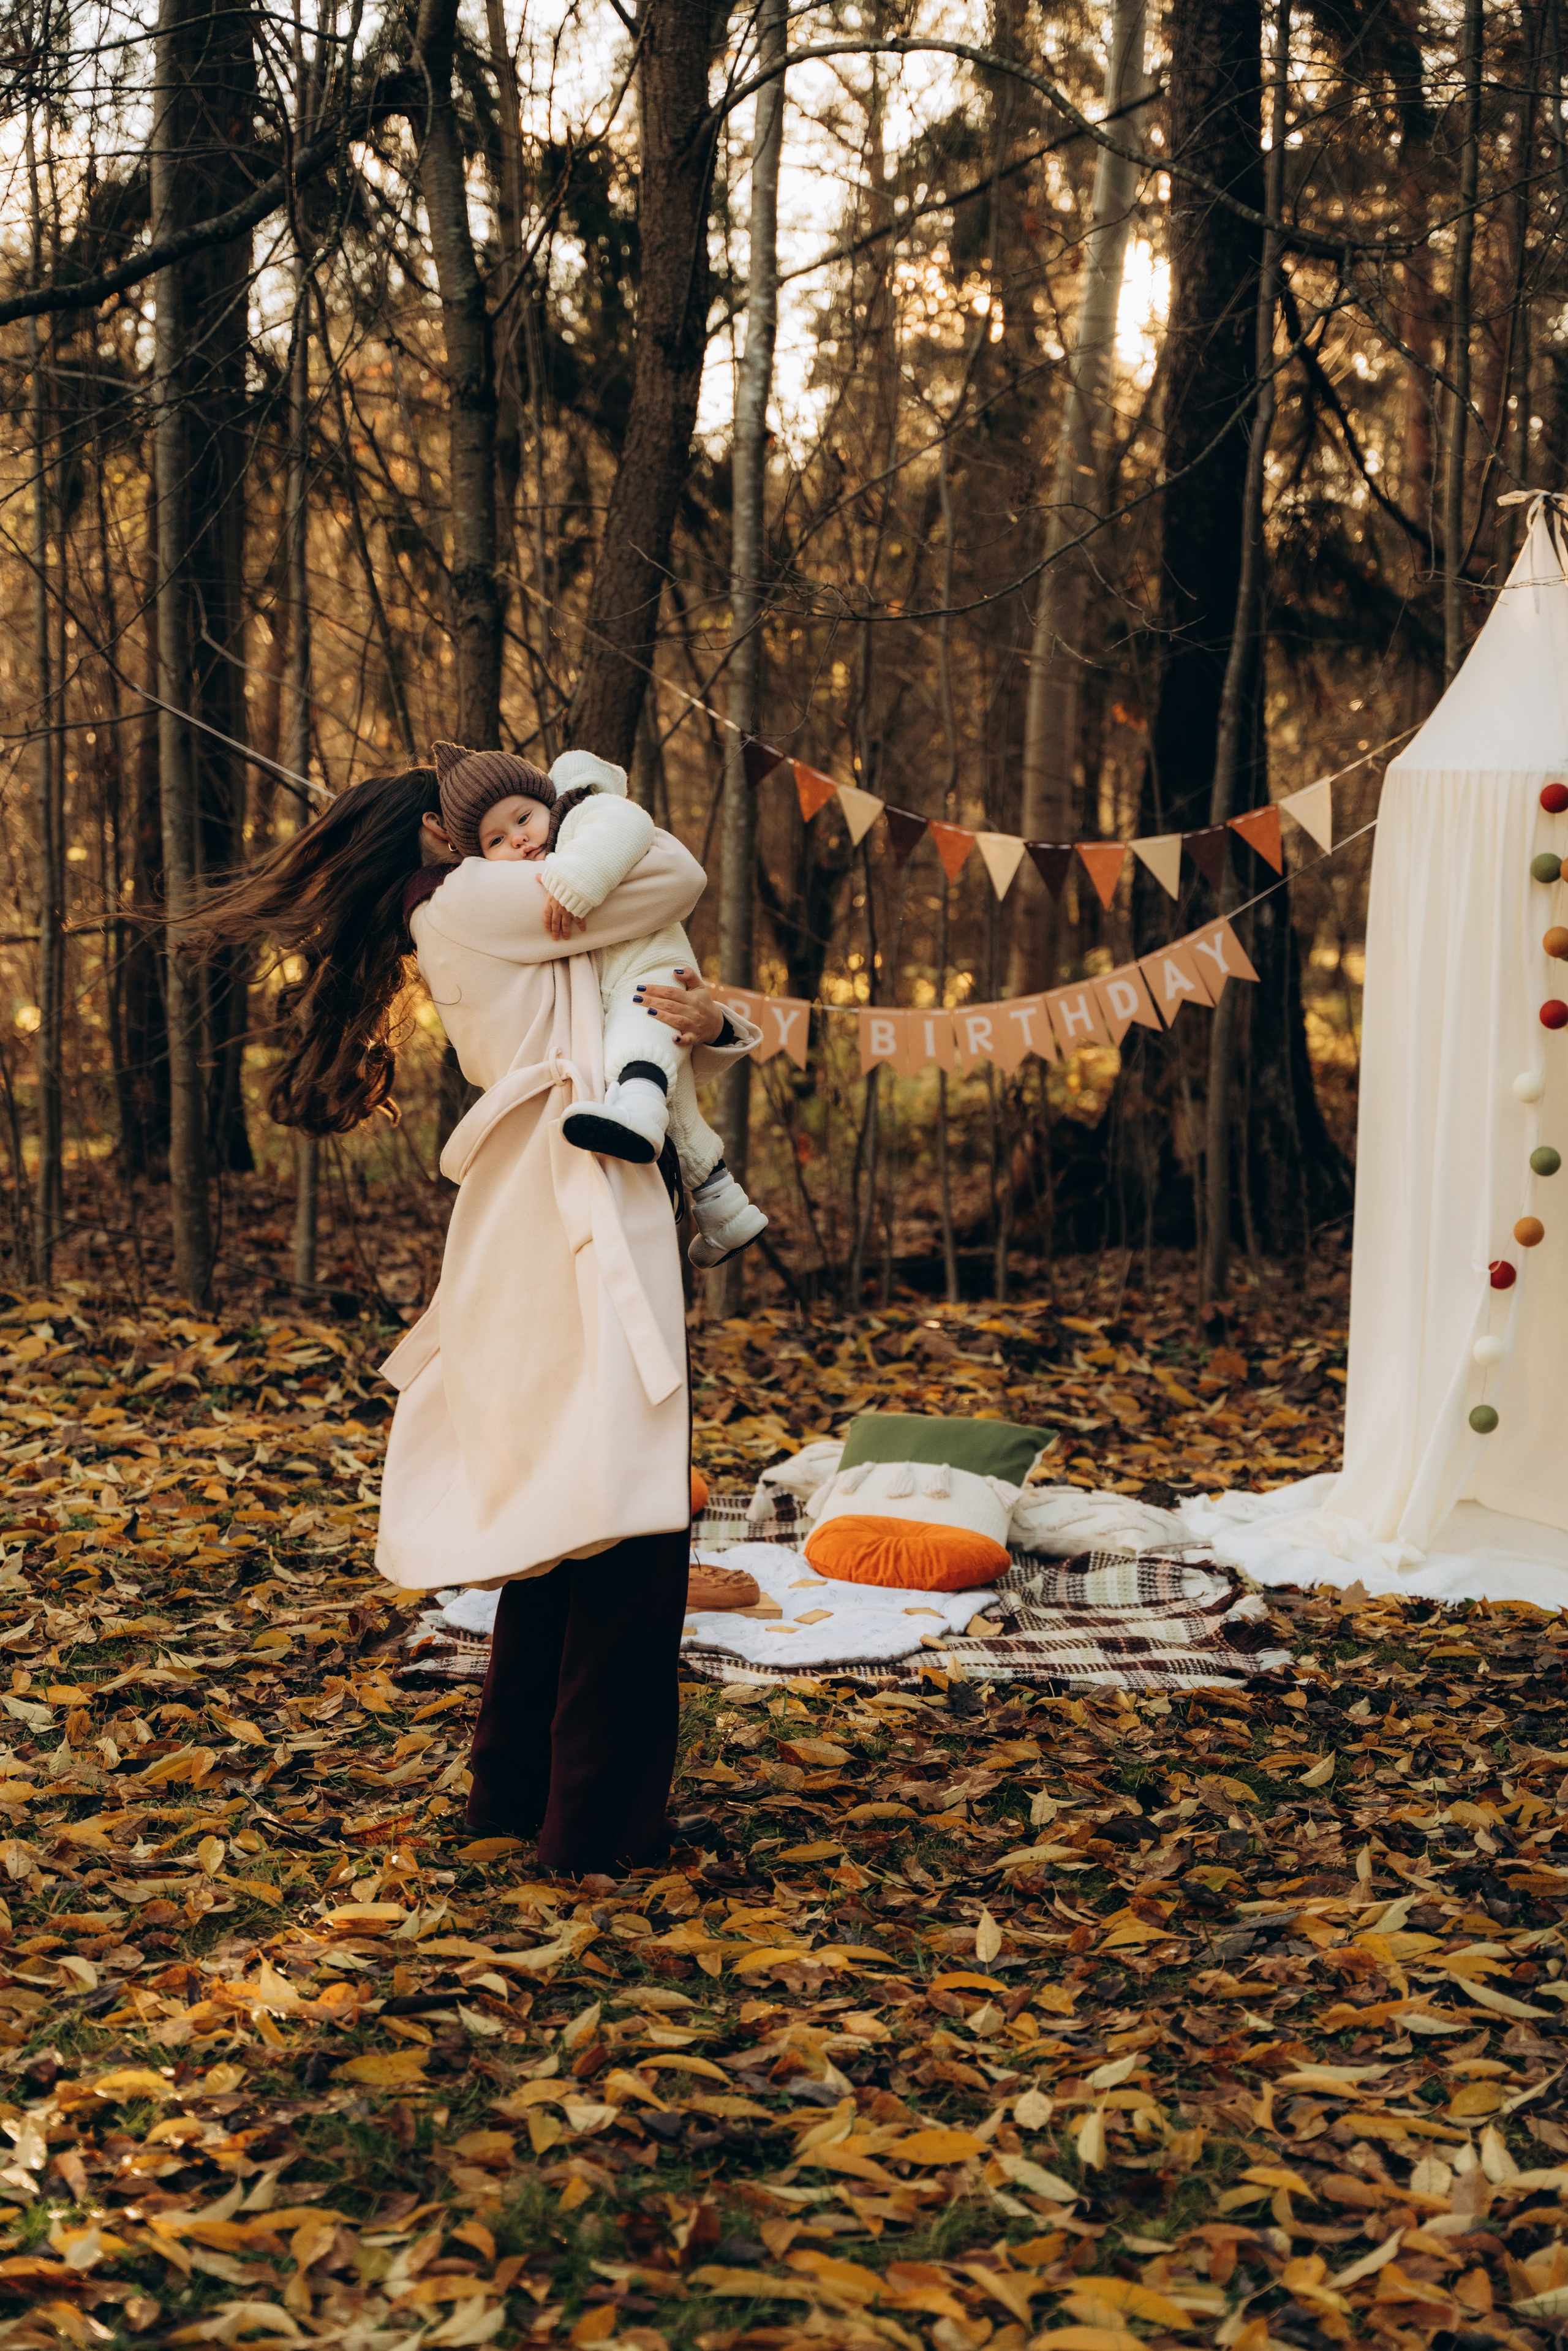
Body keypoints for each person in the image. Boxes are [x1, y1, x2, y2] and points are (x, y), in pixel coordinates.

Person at [192, 764, 761, 1874]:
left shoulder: (469, 909)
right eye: (474, 818)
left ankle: (515, 1792)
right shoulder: (470, 897)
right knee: (634, 1517)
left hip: (548, 1194)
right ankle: (600, 1831)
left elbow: (630, 970)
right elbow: (678, 870)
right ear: (427, 833)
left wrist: (712, 1018)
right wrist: (598, 817)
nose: (510, 827)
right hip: (571, 1198)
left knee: (570, 1506)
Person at [429, 738, 767, 1268]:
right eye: (496, 839)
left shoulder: (581, 817)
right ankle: (725, 1207)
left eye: (524, 818)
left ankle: (635, 1111)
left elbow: (628, 826)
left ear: (547, 801)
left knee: (640, 1054)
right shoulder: (482, 896)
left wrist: (579, 881)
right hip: (622, 992)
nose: (519, 840)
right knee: (676, 1109)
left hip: (648, 969)